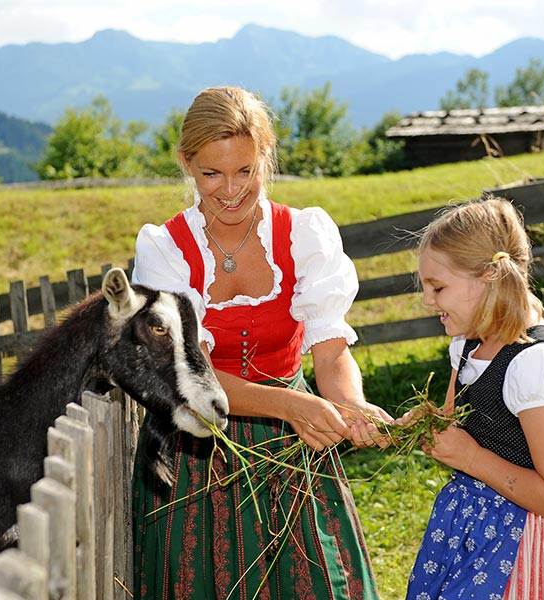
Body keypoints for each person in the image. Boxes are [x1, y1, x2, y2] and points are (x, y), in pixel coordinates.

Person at [130, 86, 388, 599]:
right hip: (196, 455)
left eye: (245, 171)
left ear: (266, 157)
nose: (230, 190)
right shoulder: (165, 250)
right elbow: (192, 379)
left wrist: (350, 403)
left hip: (291, 448)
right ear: (186, 163)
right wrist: (289, 406)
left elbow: (330, 349)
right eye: (212, 173)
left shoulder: (304, 234)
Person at [399, 197, 544, 599]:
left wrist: (471, 459)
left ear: (489, 276)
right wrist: (412, 426)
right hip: (468, 528)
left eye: (438, 287)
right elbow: (455, 422)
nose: (428, 300)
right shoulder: (468, 343)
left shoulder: (532, 367)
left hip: (522, 543)